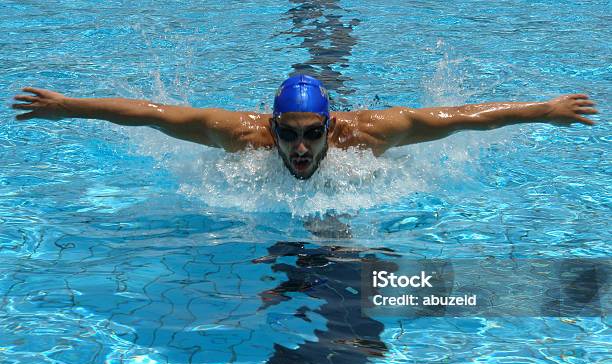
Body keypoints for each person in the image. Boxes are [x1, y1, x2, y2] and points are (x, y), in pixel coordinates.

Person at [11, 74, 598, 180]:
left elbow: (462, 119)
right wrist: (70, 106)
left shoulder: (369, 134)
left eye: (310, 133)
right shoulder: (241, 135)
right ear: (271, 125)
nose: (297, 146)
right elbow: (150, 114)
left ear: (330, 125)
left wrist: (543, 110)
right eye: (287, 133)